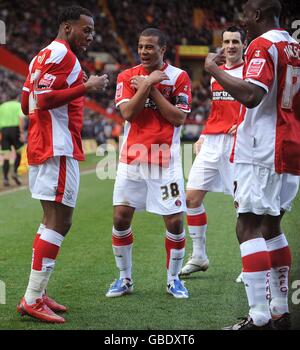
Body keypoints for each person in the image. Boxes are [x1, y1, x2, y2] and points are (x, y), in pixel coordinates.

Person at [205, 0, 300, 330]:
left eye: (246, 14)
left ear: (257, 15)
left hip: (261, 148)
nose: (242, 21)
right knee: (272, 227)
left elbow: (251, 95)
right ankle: (280, 310)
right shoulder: (294, 46)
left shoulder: (262, 45)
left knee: (247, 226)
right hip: (289, 147)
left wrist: (213, 69)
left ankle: (258, 318)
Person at [16, 5, 109, 323]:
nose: (90, 36)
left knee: (50, 220)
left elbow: (25, 101)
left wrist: (73, 86)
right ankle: (32, 298)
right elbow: (41, 101)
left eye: (93, 31)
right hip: (58, 146)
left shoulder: (40, 55)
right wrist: (87, 87)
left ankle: (35, 293)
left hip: (43, 143)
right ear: (67, 27)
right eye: (86, 29)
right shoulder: (64, 56)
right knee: (61, 221)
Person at [106, 28, 192, 299]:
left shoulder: (179, 77)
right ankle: (124, 278)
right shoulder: (126, 76)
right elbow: (129, 113)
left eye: (150, 47)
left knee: (175, 222)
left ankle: (173, 279)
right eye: (141, 46)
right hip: (131, 159)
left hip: (166, 161)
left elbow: (178, 117)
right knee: (120, 217)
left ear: (163, 49)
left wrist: (150, 88)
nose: (144, 51)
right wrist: (145, 83)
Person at [179, 26, 247, 277]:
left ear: (244, 45)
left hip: (237, 143)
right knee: (191, 198)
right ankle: (199, 256)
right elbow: (217, 109)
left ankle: (249, 263)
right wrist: (204, 135)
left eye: (235, 41)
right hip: (212, 141)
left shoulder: (251, 71)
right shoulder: (215, 74)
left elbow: (259, 104)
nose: (230, 46)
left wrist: (243, 125)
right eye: (226, 41)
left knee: (243, 205)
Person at [0, 94, 25, 186]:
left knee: (6, 155)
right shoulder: (18, 105)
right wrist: (21, 132)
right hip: (15, 130)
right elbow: (21, 118)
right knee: (20, 152)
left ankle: (5, 178)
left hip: (4, 131)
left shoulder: (1, 107)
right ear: (16, 98)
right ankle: (15, 172)